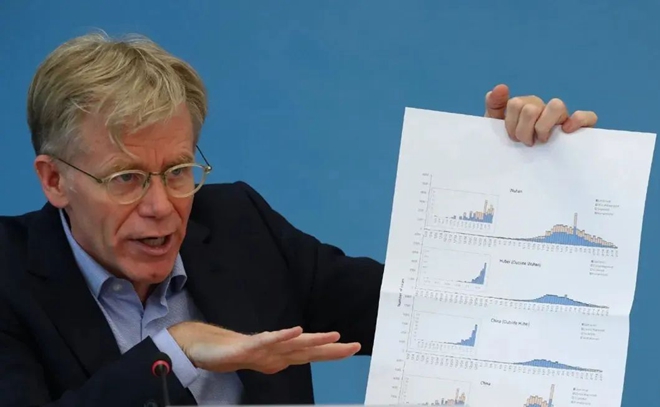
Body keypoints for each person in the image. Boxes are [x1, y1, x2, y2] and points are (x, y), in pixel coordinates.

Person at [0, 32, 598, 407]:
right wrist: (178, 347)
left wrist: (513, 174)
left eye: (178, 171)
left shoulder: (238, 225)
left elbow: (419, 309)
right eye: (127, 179)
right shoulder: (8, 277)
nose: (161, 206)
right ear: (54, 180)